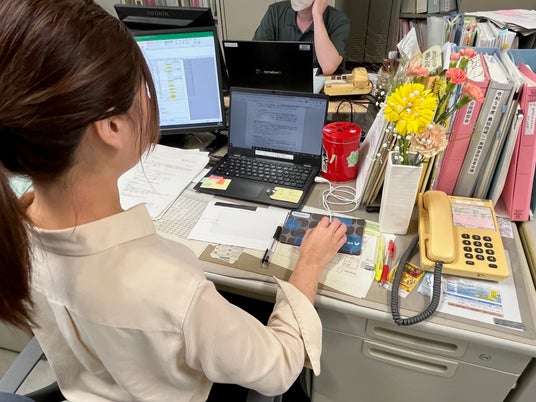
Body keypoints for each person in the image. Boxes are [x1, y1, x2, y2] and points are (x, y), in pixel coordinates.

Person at [0, 0, 348, 401]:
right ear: (111, 126)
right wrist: (309, 263)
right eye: (146, 89)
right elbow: (280, 367)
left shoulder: (15, 235)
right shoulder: (170, 287)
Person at [253, 0, 350, 76]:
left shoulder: (338, 20)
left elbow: (328, 67)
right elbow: (255, 56)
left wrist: (317, 16)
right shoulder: (275, 12)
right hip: (279, 87)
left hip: (319, 92)